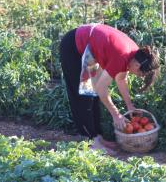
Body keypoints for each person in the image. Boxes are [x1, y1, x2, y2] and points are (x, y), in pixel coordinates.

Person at [59, 23, 160, 153]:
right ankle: (90, 142)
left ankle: (97, 137)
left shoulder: (134, 54)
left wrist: (129, 105)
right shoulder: (122, 55)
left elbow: (121, 79)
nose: (140, 76)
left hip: (89, 49)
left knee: (92, 93)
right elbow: (102, 88)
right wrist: (116, 114)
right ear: (137, 64)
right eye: (141, 73)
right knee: (82, 95)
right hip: (73, 46)